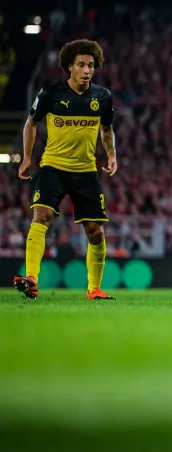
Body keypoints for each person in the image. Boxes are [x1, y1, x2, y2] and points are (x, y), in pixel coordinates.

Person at [14, 39, 118, 300]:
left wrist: (112, 155)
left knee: (95, 231)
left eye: (91, 66)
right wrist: (27, 158)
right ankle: (32, 278)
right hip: (53, 167)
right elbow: (31, 123)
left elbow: (107, 130)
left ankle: (94, 289)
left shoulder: (102, 97)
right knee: (42, 216)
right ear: (69, 66)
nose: (87, 70)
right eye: (81, 65)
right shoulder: (50, 94)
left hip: (86, 171)